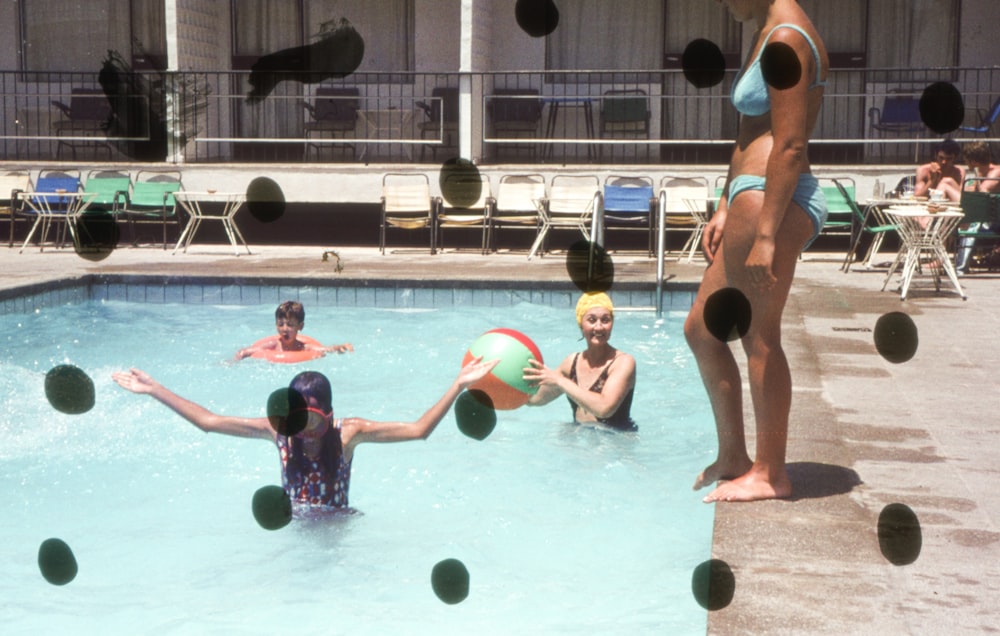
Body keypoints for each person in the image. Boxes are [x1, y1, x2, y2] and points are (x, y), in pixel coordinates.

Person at [685, 0, 829, 502]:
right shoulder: (764, 31)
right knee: (702, 329)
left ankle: (771, 473)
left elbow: (789, 144)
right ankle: (733, 455)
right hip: (748, 196)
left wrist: (766, 234)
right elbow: (748, 131)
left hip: (774, 199)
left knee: (758, 335)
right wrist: (725, 202)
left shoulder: (788, 37)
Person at [111, 357, 498, 510]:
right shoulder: (280, 432)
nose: (307, 431)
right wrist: (154, 389)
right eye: (299, 419)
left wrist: (458, 384)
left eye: (314, 420)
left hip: (339, 529)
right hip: (292, 528)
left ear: (329, 415)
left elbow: (419, 431)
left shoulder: (349, 434)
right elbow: (208, 422)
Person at [523, 292, 637, 431]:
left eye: (605, 320)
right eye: (592, 320)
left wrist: (560, 381)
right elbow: (535, 399)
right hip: (580, 440)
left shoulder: (623, 362)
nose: (599, 327)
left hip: (616, 443)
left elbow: (604, 408)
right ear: (581, 324)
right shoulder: (572, 362)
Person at [234, 300, 353, 360]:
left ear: (300, 326)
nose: (285, 329)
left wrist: (340, 347)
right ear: (276, 325)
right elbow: (247, 351)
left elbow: (326, 349)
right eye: (281, 324)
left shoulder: (304, 347)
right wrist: (235, 359)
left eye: (290, 325)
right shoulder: (273, 345)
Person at [954, 141, 1000, 273]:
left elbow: (983, 193)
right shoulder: (982, 172)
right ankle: (951, 263)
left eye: (967, 160)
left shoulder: (995, 172)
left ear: (974, 161)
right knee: (961, 220)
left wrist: (977, 181)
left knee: (970, 223)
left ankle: (960, 267)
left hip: (994, 219)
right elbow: (970, 190)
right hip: (987, 215)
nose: (966, 163)